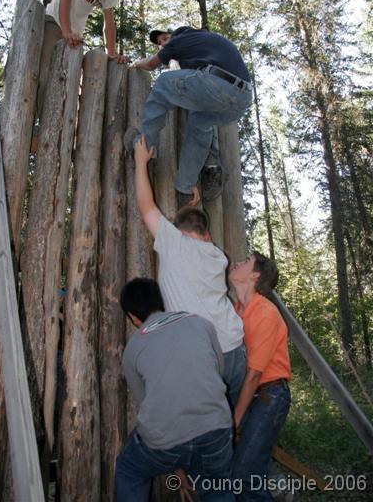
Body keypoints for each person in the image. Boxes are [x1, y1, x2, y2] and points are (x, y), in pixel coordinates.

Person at [134, 136, 246, 407]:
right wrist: (191, 208)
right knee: (227, 422)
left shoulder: (174, 246)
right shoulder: (217, 256)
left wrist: (140, 163)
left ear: (178, 231)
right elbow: (187, 231)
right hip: (235, 350)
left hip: (204, 357)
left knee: (205, 428)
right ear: (207, 235)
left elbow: (146, 206)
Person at [116, 277, 235, 501]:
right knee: (217, 489)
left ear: (132, 317)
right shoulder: (201, 324)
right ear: (160, 301)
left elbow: (148, 405)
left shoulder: (133, 349)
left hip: (164, 441)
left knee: (129, 470)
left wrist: (175, 459)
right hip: (216, 429)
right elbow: (217, 374)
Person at [129, 26, 252, 205]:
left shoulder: (180, 40)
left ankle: (144, 146)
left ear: (174, 35)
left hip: (219, 85)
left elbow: (150, 64)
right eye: (160, 43)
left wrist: (135, 64)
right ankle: (185, 185)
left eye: (165, 38)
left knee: (163, 82)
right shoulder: (204, 44)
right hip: (241, 101)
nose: (163, 44)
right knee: (199, 122)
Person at [38, 0, 126, 114]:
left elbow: (108, 22)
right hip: (54, 22)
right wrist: (66, 31)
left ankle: (57, 125)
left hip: (75, 35)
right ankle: (38, 120)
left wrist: (111, 53)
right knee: (45, 75)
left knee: (66, 83)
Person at [229, 252, 291, 501]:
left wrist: (235, 420)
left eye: (244, 262)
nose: (236, 262)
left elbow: (254, 374)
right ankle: (279, 491)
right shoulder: (235, 311)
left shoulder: (265, 312)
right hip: (252, 397)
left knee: (243, 478)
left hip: (270, 396)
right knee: (250, 468)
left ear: (255, 275)